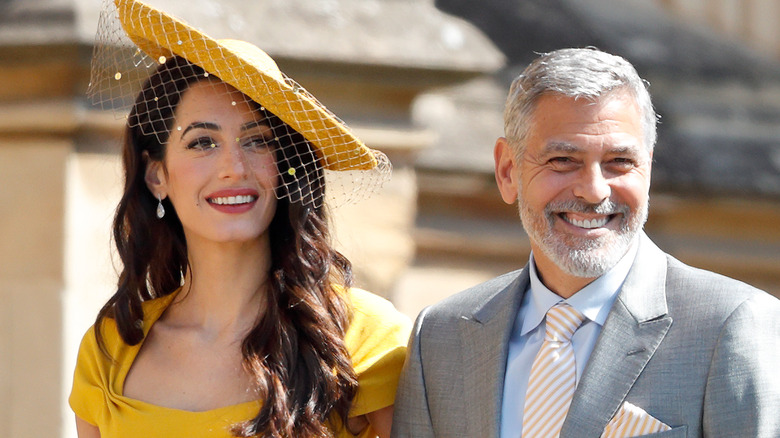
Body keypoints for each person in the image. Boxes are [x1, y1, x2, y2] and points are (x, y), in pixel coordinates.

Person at [391, 47, 780, 438]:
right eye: (563, 160)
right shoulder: (440, 338)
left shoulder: (731, 326)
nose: (594, 191)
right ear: (508, 171)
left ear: (647, 168)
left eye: (619, 162)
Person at [69, 1, 411, 437]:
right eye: (202, 142)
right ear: (157, 175)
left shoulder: (369, 339)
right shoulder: (110, 350)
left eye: (257, 141)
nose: (234, 167)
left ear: (283, 167)